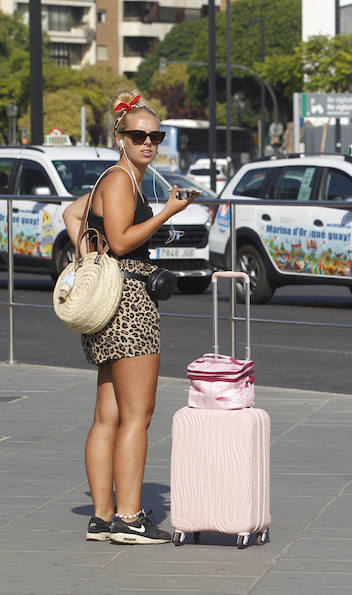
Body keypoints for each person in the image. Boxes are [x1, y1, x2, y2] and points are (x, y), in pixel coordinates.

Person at [62, 90, 199, 545]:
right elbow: (120, 242)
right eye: (138, 135)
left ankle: (102, 517)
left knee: (108, 415)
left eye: (155, 136)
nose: (148, 143)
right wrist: (166, 213)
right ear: (119, 137)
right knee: (137, 415)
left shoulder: (114, 179)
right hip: (129, 306)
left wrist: (86, 258)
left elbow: (72, 213)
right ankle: (130, 517)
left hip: (107, 306)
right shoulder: (122, 180)